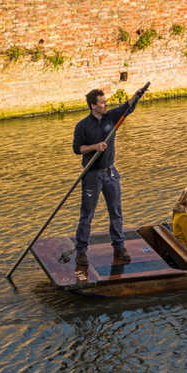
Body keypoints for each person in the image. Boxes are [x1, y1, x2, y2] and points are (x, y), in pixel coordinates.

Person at [72, 82, 149, 273]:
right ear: (93, 106)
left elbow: (127, 107)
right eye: (102, 103)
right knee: (87, 214)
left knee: (116, 211)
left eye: (106, 102)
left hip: (110, 172)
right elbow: (77, 149)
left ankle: (119, 246)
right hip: (91, 175)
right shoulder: (82, 126)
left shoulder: (112, 117)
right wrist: (94, 147)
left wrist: (137, 95)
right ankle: (81, 250)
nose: (105, 105)